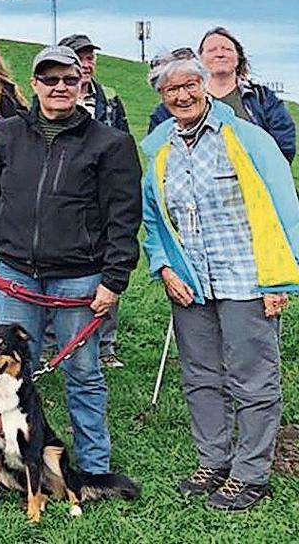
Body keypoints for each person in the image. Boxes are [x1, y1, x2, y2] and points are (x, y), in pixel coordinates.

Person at [0, 46, 142, 486]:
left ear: (82, 82)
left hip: (79, 278)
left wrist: (114, 278)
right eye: (50, 80)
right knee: (4, 377)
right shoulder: (7, 135)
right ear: (35, 85)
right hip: (14, 276)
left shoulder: (111, 143)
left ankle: (93, 467)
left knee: (83, 372)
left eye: (68, 79)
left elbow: (123, 217)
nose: (59, 87)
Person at [141, 51, 297, 512]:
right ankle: (214, 460)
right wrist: (164, 268)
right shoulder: (159, 148)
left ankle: (251, 473)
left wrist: (279, 279)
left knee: (253, 379)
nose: (183, 95)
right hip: (190, 283)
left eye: (191, 84)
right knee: (201, 377)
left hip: (247, 279)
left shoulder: (248, 139)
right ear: (162, 96)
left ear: (207, 85)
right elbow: (154, 220)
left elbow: (284, 210)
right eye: (173, 89)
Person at [58, 33, 130, 369]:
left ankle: (105, 344)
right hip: (63, 199)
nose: (87, 64)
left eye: (90, 58)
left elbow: (125, 141)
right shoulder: (50, 96)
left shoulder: (110, 99)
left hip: (103, 200)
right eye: (80, 57)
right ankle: (52, 344)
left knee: (106, 270)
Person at [149, 27, 295, 163]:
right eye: (212, 50)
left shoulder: (261, 98)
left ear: (238, 58)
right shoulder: (178, 103)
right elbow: (158, 150)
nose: (220, 54)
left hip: (256, 182)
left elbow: (284, 142)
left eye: (227, 49)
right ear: (199, 60)